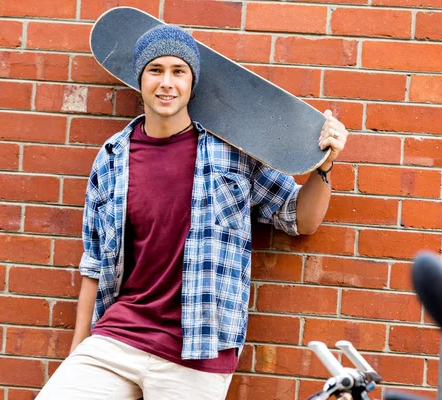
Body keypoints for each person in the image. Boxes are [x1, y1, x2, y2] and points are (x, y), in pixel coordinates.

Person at [37, 23, 348, 400]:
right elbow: (94, 263)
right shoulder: (112, 157)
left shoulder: (231, 153)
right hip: (117, 339)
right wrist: (77, 351)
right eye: (156, 70)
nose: (166, 83)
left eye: (177, 71)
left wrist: (324, 167)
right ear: (140, 78)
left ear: (192, 82)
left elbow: (301, 218)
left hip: (199, 351)